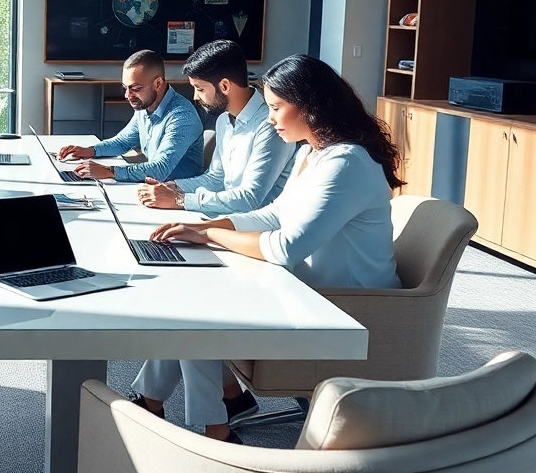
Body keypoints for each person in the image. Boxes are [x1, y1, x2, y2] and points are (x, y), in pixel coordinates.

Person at [130, 54, 404, 443]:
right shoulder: (313, 151)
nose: (271, 117)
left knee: (195, 309)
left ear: (309, 106)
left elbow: (286, 246)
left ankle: (207, 423)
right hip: (307, 289)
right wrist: (207, 226)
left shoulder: (346, 163)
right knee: (189, 301)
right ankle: (199, 417)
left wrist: (210, 236)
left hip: (347, 309)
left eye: (276, 107)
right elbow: (276, 214)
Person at [137, 40, 295, 214]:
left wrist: (179, 200)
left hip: (258, 230)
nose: (196, 97)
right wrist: (171, 187)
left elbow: (250, 198)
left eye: (200, 89)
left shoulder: (271, 126)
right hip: (228, 220)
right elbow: (216, 179)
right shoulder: (224, 121)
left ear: (225, 86)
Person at [57, 49, 203, 182]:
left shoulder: (182, 116)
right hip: (156, 189)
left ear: (158, 83)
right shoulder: (145, 106)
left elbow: (160, 169)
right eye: (125, 88)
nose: (128, 95)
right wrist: (89, 150)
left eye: (135, 88)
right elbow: (122, 142)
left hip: (179, 197)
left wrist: (109, 171)